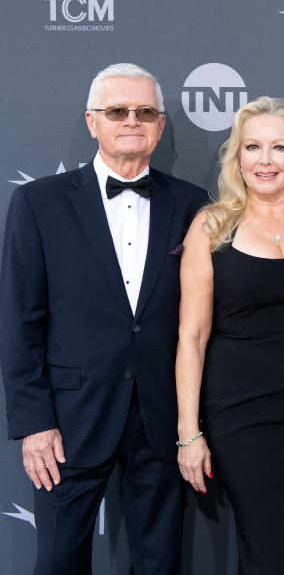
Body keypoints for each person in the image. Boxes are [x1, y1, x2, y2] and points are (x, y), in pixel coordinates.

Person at [0, 63, 208, 573]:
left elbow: (201, 319)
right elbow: (19, 320)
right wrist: (34, 422)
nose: (131, 120)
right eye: (117, 111)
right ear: (92, 122)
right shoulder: (39, 203)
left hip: (160, 419)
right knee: (58, 561)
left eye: (145, 112)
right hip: (69, 422)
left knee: (159, 562)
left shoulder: (192, 204)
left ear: (160, 126)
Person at [175, 96, 284, 573]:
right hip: (240, 414)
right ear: (237, 158)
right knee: (267, 548)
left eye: (279, 147)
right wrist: (189, 432)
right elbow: (191, 336)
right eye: (253, 147)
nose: (266, 160)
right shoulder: (212, 227)